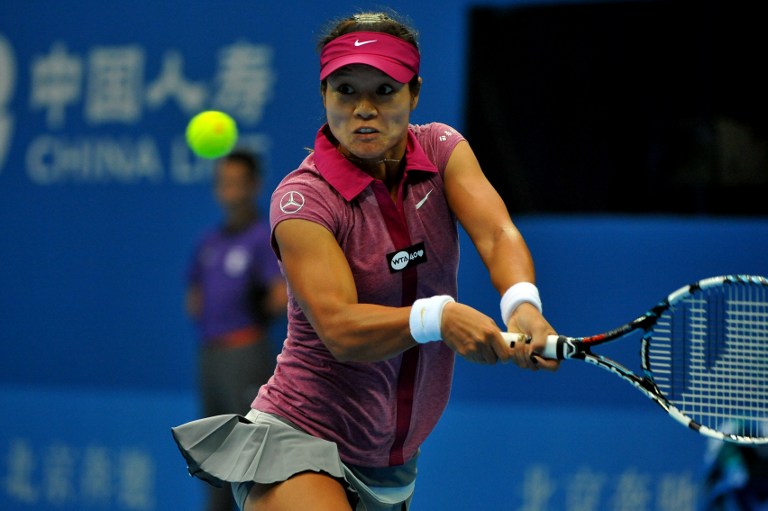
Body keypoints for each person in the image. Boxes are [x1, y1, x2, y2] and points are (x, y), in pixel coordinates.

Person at [172, 11, 559, 511]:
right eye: (346, 90)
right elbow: (340, 328)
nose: (364, 109)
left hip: (392, 463)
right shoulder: (303, 200)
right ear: (324, 96)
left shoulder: (443, 150)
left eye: (384, 90)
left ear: (414, 93)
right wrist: (438, 316)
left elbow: (496, 232)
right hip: (301, 436)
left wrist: (522, 305)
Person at [184, 149, 288, 511]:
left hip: (245, 355)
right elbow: (194, 297)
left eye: (236, 182)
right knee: (211, 454)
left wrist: (252, 314)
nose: (228, 189)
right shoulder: (209, 242)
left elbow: (279, 293)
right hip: (210, 356)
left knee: (248, 456)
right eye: (222, 182)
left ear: (253, 186)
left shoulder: (262, 238)